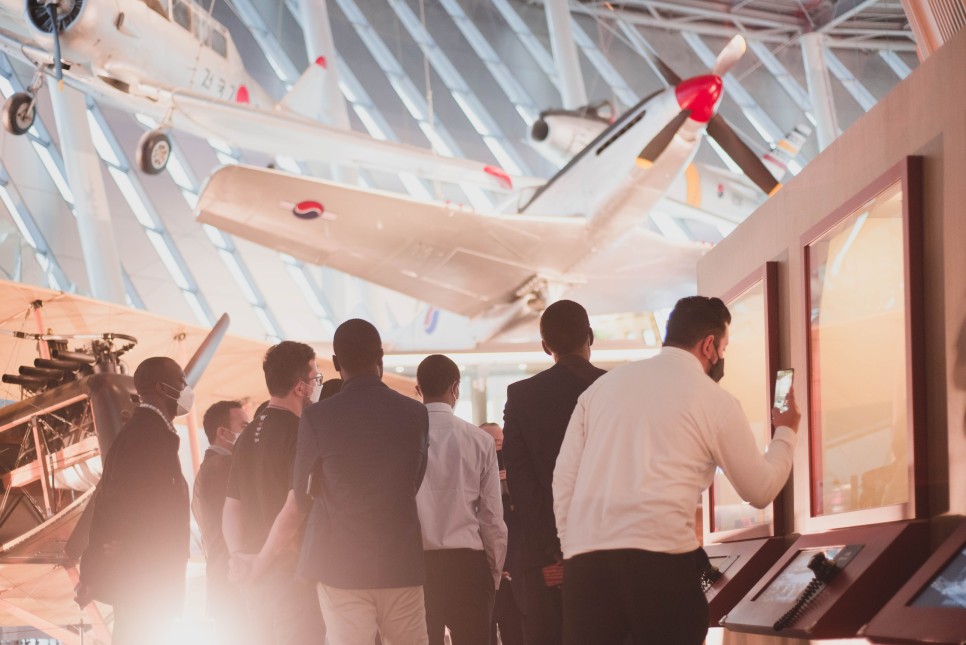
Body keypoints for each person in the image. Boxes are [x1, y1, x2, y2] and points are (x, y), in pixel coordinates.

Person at [553, 296, 801, 645]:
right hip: (660, 561)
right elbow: (759, 490)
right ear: (709, 345)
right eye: (724, 348)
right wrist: (786, 432)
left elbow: (564, 479)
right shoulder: (714, 399)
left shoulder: (601, 389)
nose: (722, 358)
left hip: (586, 566)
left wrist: (573, 545)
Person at [246, 319, 430, 645]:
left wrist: (259, 563)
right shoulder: (415, 413)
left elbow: (301, 497)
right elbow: (415, 479)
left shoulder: (318, 416)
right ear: (381, 357)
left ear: (335, 363)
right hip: (401, 561)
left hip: (341, 565)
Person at [502, 299, 605, 645]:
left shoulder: (521, 396)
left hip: (546, 561)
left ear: (546, 346)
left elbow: (520, 483)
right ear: (590, 336)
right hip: (610, 551)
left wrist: (555, 547)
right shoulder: (615, 389)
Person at [76, 357, 192, 645]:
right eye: (181, 381)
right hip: (146, 580)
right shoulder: (147, 436)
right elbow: (119, 502)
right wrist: (127, 550)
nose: (187, 389)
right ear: (161, 387)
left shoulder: (148, 432)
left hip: (147, 577)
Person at [222, 341, 326, 645]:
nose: (317, 386)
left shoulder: (246, 435)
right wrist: (261, 562)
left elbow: (231, 505)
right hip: (289, 576)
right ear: (300, 387)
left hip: (253, 576)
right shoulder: (301, 432)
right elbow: (295, 507)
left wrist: (239, 558)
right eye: (315, 378)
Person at [415, 355, 507, 645]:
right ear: (455, 388)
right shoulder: (479, 440)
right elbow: (492, 516)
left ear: (418, 389)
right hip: (469, 565)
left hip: (418, 565)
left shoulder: (403, 438)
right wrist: (492, 573)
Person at [192, 400, 250, 644]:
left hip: (224, 580)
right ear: (223, 433)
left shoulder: (211, 466)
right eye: (244, 426)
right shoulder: (221, 466)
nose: (249, 432)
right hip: (232, 581)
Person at [480, 422, 527, 645]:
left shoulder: (518, 475)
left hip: (515, 575)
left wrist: (512, 484)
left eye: (500, 442)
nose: (498, 448)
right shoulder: (470, 475)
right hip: (485, 576)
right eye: (493, 443)